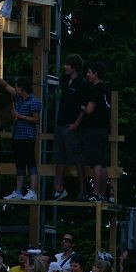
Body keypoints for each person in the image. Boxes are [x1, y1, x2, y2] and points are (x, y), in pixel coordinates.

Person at [0, 71, 41, 200]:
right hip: (17, 135)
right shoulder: (17, 97)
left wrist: (20, 116)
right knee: (20, 164)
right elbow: (6, 86)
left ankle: (33, 192)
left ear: (22, 88)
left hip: (28, 136)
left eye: (17, 86)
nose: (15, 88)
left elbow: (37, 119)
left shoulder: (33, 101)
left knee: (31, 163)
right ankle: (18, 191)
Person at [52, 54, 88, 200]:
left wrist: (76, 124)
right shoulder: (65, 80)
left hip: (72, 125)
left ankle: (83, 189)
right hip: (60, 124)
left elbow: (84, 108)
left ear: (73, 67)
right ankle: (59, 189)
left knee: (77, 157)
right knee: (59, 157)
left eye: (67, 64)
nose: (65, 66)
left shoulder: (81, 84)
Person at [82, 62, 112, 201]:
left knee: (96, 163)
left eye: (89, 72)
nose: (87, 74)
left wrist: (81, 107)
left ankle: (95, 193)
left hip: (94, 129)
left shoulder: (95, 90)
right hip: (104, 129)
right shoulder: (105, 88)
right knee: (103, 162)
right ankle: (103, 194)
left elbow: (89, 110)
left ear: (95, 73)